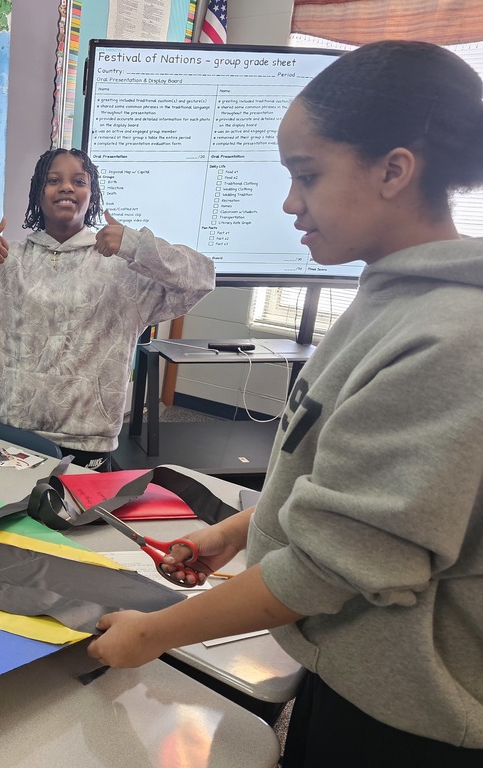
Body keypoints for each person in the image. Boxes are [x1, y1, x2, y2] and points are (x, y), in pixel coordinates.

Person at [87, 40, 483, 765]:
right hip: (355, 672)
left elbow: (339, 565)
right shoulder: (389, 297)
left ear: (395, 170)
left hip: (411, 723)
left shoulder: (451, 339)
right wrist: (244, 527)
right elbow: (357, 492)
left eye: (308, 175)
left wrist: (151, 634)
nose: (290, 203)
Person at [0, 148, 214, 470]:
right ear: (37, 193)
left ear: (92, 194)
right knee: (6, 517)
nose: (66, 187)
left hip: (88, 439)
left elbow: (200, 278)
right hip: (12, 432)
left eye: (78, 180)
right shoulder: (4, 262)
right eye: (53, 180)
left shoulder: (123, 268)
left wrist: (136, 245)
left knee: (77, 518)